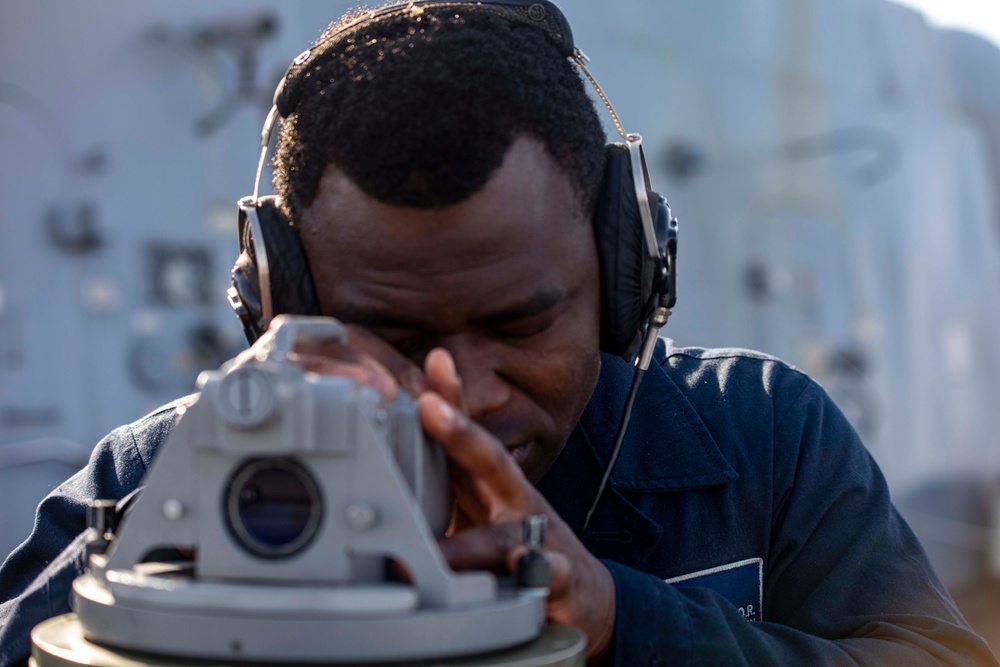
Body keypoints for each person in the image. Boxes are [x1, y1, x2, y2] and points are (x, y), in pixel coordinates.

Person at [1, 2, 996, 665]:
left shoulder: (761, 440)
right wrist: (185, 531)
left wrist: (623, 619)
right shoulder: (160, 479)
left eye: (520, 321)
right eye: (384, 331)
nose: (465, 393)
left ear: (623, 269)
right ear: (280, 301)